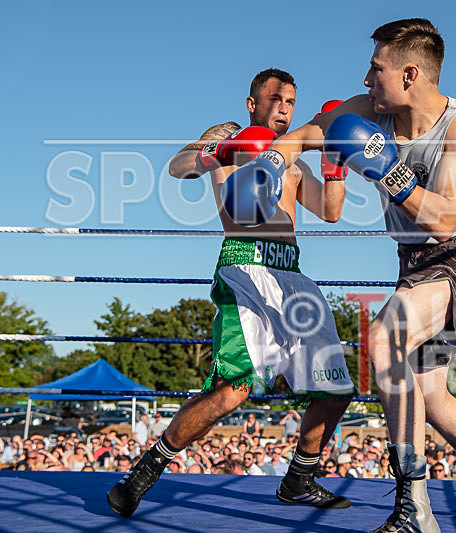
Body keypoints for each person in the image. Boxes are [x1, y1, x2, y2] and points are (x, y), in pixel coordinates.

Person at [236, 18, 456, 532]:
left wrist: (388, 171)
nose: (365, 79)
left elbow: (445, 221)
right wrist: (262, 163)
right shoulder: (368, 111)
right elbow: (307, 137)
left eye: (376, 68)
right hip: (412, 263)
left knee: (383, 341)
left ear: (410, 74)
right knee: (430, 389)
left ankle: (413, 508)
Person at [106, 68, 355, 518]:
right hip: (245, 265)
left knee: (335, 388)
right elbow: (178, 166)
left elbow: (332, 211)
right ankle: (143, 472)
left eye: (291, 101)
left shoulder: (293, 158)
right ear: (252, 103)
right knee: (233, 389)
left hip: (292, 275)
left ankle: (299, 479)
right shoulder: (231, 139)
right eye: (275, 98)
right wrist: (219, 147)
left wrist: (335, 160)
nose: (284, 107)